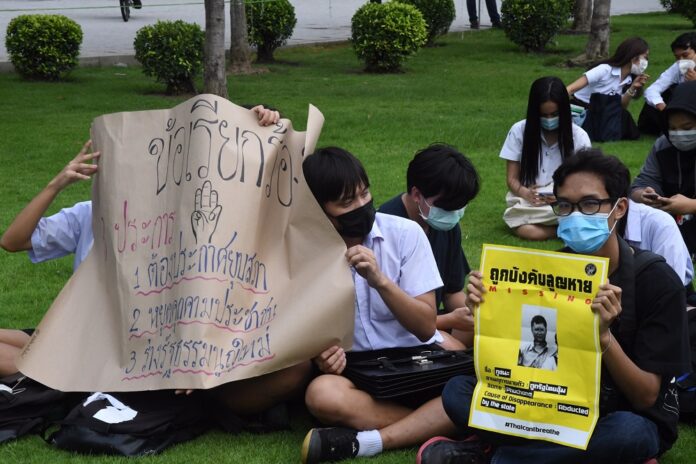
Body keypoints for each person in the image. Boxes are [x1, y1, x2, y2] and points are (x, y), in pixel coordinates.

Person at [418, 149, 690, 464]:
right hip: (547, 407)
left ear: (619, 208)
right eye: (564, 206)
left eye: (590, 204)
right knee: (458, 392)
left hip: (616, 412)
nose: (576, 215)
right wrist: (488, 309)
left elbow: (645, 397)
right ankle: (548, 455)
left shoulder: (657, 281)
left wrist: (604, 339)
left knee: (630, 434)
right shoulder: (550, 270)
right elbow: (517, 362)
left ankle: (501, 456)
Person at [0, 105, 281, 378]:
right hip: (79, 335)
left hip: (124, 356)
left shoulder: (189, 219)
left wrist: (257, 119)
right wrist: (57, 184)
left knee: (20, 360)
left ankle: (47, 373)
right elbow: (13, 241)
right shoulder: (89, 213)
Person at [301, 146, 468, 464]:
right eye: (346, 202)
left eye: (364, 194)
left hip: (418, 361)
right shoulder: (304, 255)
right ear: (320, 211)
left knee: (471, 385)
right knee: (321, 394)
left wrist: (380, 281)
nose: (362, 206)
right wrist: (321, 355)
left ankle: (373, 440)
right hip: (359, 372)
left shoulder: (405, 234)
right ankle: (440, 424)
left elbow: (424, 327)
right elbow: (298, 328)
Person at [379, 143, 479, 346]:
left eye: (460, 207)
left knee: (483, 331)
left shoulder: (446, 226)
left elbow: (452, 292)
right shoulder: (386, 228)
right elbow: (384, 320)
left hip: (433, 321)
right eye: (448, 207)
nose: (454, 215)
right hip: (397, 333)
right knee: (455, 350)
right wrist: (448, 321)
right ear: (417, 195)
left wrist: (473, 308)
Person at [501, 76, 591, 241]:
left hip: (566, 200)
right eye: (544, 115)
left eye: (555, 114)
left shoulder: (579, 136)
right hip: (529, 200)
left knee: (579, 209)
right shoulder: (519, 130)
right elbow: (512, 179)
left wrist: (561, 196)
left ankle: (561, 225)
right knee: (524, 226)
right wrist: (526, 193)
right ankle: (568, 229)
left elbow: (585, 182)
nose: (549, 120)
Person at [630, 80, 696, 257]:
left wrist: (691, 206)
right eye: (672, 128)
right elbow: (639, 185)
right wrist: (644, 195)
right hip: (670, 221)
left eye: (687, 128)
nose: (678, 133)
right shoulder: (663, 145)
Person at [567, 37, 650, 141]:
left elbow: (621, 107)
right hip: (580, 109)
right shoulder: (604, 70)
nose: (645, 62)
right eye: (645, 57)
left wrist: (633, 88)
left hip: (601, 112)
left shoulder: (629, 80)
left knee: (623, 116)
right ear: (633, 56)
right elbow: (570, 89)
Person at [638, 32, 696, 135]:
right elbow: (653, 89)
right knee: (666, 93)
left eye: (685, 55)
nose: (681, 60)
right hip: (680, 109)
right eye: (677, 57)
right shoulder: (677, 67)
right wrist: (662, 107)